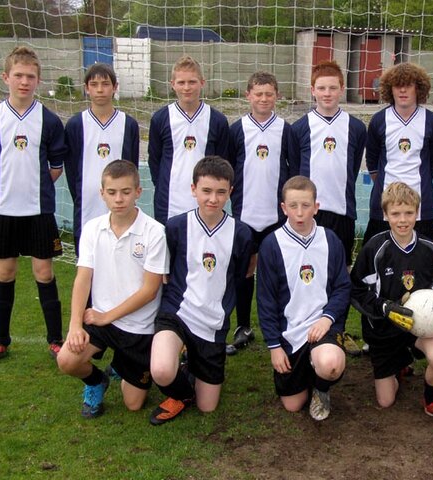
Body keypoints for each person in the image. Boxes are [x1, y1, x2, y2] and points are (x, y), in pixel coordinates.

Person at [0, 46, 67, 366]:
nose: (24, 82)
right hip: (3, 211)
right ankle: (0, 341)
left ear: (38, 80)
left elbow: (56, 167)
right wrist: (4, 191)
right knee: (5, 271)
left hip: (39, 212)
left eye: (30, 76)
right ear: (6, 78)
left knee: (44, 272)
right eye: (18, 75)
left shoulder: (50, 121)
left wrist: (33, 191)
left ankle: (56, 340)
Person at [57, 160, 168, 418]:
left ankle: (122, 364)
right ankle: (96, 381)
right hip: (101, 320)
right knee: (66, 360)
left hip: (138, 327)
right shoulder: (93, 229)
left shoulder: (154, 232)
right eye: (112, 192)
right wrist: (75, 325)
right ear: (102, 194)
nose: (119, 199)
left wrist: (107, 316)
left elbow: (150, 290)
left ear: (138, 192)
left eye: (126, 192)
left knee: (133, 404)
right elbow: (83, 278)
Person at [149, 156, 253, 425]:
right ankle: (180, 394)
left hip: (213, 323)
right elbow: (166, 273)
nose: (213, 199)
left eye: (220, 192)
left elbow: (242, 275)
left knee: (208, 407)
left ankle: (191, 365)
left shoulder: (241, 233)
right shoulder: (175, 227)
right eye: (206, 191)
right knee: (160, 370)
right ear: (193, 189)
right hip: (177, 314)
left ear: (230, 192)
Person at [351, 182, 433, 426]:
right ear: (385, 215)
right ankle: (398, 366)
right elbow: (357, 290)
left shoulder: (430, 249)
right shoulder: (374, 249)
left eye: (408, 213)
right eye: (395, 214)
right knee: (386, 401)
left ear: (417, 213)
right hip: (383, 331)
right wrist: (385, 308)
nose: (402, 220)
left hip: (418, 325)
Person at [257, 176, 351, 421]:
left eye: (306, 206)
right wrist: (274, 347)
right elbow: (266, 301)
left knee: (331, 364)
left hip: (323, 327)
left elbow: (343, 287)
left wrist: (327, 319)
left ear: (316, 207)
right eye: (293, 206)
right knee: (293, 405)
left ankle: (321, 388)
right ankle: (309, 370)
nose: (300, 213)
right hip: (290, 335)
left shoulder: (330, 240)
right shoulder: (271, 244)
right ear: (283, 208)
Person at [226, 71, 291, 355]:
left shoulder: (286, 129)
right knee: (245, 270)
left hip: (277, 215)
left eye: (269, 94)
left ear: (277, 96)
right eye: (258, 93)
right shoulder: (236, 130)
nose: (263, 99)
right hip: (246, 214)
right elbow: (227, 169)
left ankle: (281, 323)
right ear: (248, 95)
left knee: (278, 270)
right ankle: (243, 326)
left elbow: (295, 168)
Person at [289, 60, 367, 265]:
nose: (327, 93)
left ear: (342, 89)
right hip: (308, 211)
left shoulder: (356, 127)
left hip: (342, 211)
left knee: (340, 268)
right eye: (322, 88)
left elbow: (353, 165)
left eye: (333, 88)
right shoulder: (299, 127)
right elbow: (296, 171)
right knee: (307, 266)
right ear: (313, 90)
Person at [64, 63, 140, 255]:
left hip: (121, 206)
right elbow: (72, 170)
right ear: (86, 88)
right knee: (89, 268)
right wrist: (83, 195)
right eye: (94, 84)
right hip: (87, 208)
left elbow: (132, 167)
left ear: (115, 88)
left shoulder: (128, 124)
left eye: (105, 84)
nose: (100, 89)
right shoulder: (75, 124)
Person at [363, 63, 433, 245]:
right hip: (384, 205)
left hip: (421, 206)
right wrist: (389, 187)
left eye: (409, 85)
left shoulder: (431, 121)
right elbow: (372, 161)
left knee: (424, 260)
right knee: (376, 256)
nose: (403, 90)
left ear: (418, 88)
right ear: (390, 89)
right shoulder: (379, 120)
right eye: (398, 85)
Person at [148, 55, 230, 225]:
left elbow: (223, 162)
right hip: (169, 204)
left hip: (207, 203)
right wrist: (164, 186)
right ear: (172, 84)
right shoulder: (161, 118)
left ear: (202, 82)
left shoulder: (217, 120)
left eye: (192, 82)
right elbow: (155, 160)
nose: (186, 88)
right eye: (181, 82)